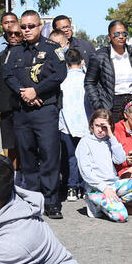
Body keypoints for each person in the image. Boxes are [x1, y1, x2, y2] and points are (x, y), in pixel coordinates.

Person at [7, 9, 67, 218]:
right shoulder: (14, 51)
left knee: (49, 154)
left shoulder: (52, 48)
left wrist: (37, 91)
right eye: (23, 26)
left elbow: (60, 74)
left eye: (31, 26)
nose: (26, 30)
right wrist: (24, 93)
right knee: (27, 155)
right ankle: (32, 199)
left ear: (40, 26)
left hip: (45, 109)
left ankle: (51, 202)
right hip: (23, 110)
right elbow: (8, 76)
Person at [74, 109, 132, 223]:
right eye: (97, 126)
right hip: (97, 188)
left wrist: (111, 136)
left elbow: (120, 159)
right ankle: (95, 203)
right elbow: (86, 172)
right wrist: (104, 189)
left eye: (104, 126)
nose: (100, 130)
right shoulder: (85, 142)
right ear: (91, 125)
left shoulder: (109, 140)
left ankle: (116, 201)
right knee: (121, 217)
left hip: (114, 185)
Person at [84, 19, 132, 125]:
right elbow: (89, 83)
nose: (121, 37)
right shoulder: (99, 56)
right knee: (113, 137)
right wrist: (99, 106)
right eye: (116, 34)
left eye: (124, 34)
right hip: (111, 104)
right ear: (109, 37)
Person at [58, 48, 88, 202]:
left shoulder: (62, 80)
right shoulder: (86, 80)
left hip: (66, 125)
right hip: (85, 124)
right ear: (82, 61)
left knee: (70, 157)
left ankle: (71, 188)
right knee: (84, 156)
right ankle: (84, 187)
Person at [0, 22, 25, 170]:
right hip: (6, 107)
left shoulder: (28, 53)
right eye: (9, 34)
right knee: (9, 145)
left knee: (25, 144)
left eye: (17, 34)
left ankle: (25, 178)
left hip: (25, 107)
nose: (13, 36)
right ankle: (13, 177)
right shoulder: (1, 56)